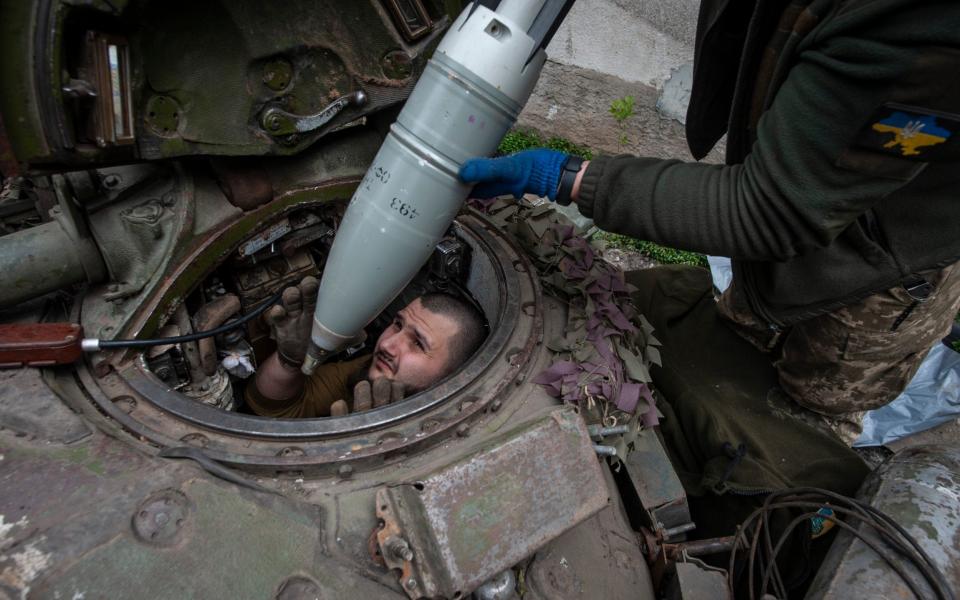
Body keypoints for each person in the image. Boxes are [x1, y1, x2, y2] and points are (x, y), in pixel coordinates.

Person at [459, 0, 960, 444]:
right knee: (742, 325)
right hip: (805, 195)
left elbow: (771, 211)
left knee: (818, 401)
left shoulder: (921, 28)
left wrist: (568, 177)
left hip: (885, 269)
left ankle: (784, 493)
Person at [246, 276, 487, 418]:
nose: (387, 344)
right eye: (397, 324)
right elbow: (277, 408)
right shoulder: (368, 370)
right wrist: (288, 362)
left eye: (418, 343)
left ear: (452, 379)